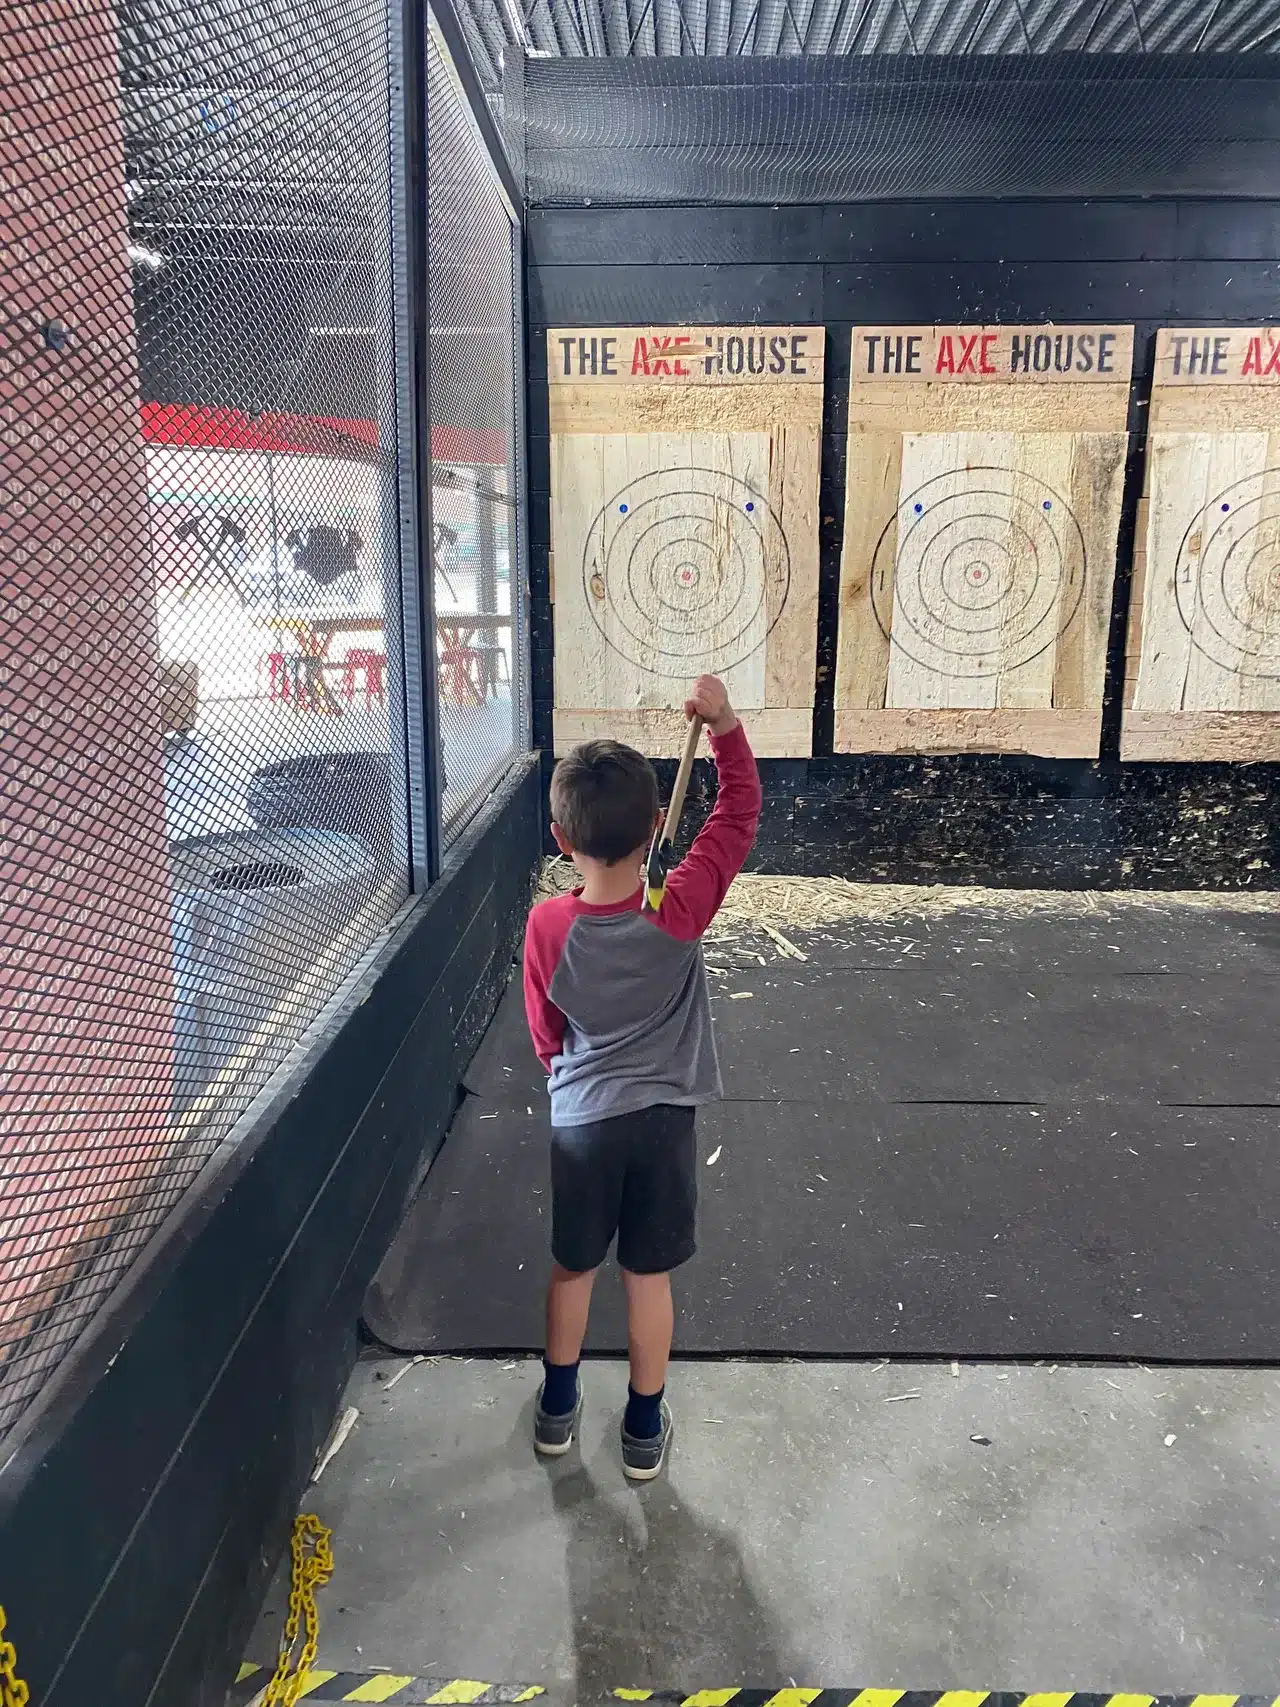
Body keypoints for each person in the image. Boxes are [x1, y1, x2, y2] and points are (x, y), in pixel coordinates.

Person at [522, 675, 762, 1479]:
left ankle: (557, 1409)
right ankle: (644, 1426)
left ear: (562, 838)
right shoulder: (680, 904)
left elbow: (544, 1033)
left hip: (583, 1122)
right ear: (657, 825)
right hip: (662, 1124)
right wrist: (723, 726)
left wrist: (569, 1076)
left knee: (572, 1266)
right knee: (646, 1274)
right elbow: (736, 814)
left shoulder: (547, 924)